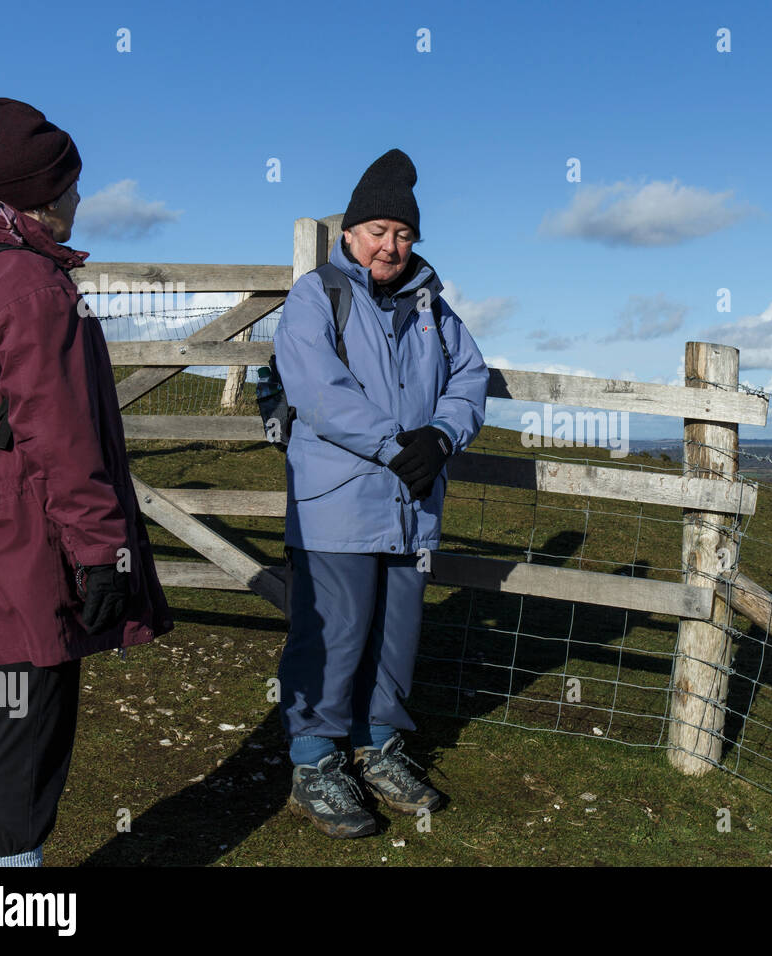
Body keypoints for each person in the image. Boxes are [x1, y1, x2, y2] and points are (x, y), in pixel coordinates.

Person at [0, 98, 173, 866]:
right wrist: (102, 553)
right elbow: (63, 437)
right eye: (71, 184)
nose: (79, 198)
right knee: (28, 736)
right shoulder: (32, 286)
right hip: (34, 541)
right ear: (41, 191)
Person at [274, 148, 488, 837]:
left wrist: (444, 438)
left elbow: (471, 378)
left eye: (403, 234)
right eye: (378, 232)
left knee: (396, 634)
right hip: (338, 499)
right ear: (349, 233)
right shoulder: (318, 294)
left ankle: (379, 746)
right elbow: (317, 390)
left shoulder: (433, 305)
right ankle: (314, 760)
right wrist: (399, 445)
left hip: (412, 502)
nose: (390, 245)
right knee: (333, 632)